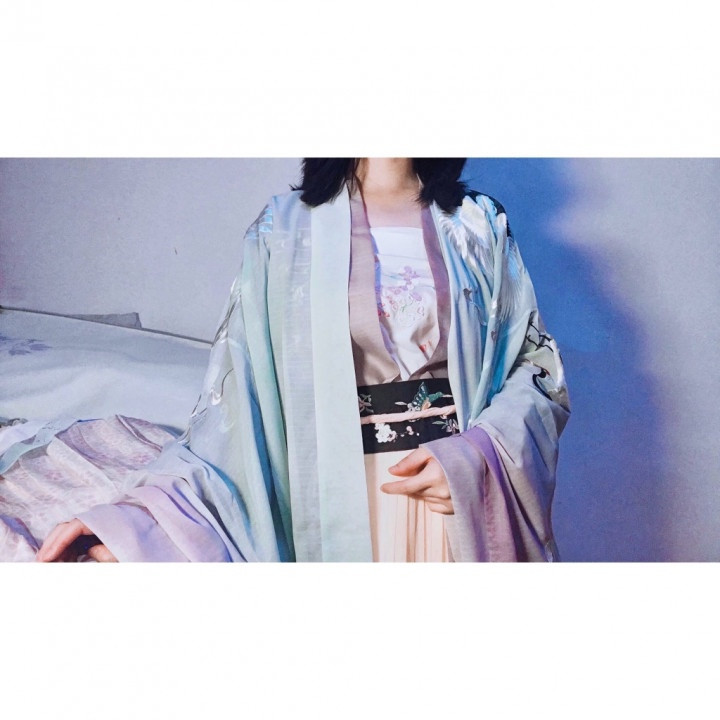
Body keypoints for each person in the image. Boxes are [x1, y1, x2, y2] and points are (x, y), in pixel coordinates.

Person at [0, 158, 570, 562]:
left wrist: (477, 456)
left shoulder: (477, 225)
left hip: (455, 499)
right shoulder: (284, 231)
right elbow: (235, 410)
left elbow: (535, 369)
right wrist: (137, 531)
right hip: (339, 502)